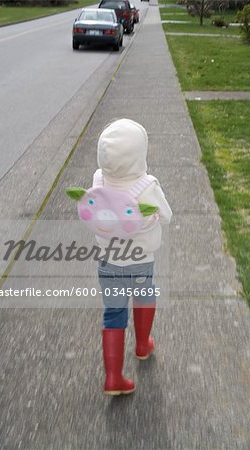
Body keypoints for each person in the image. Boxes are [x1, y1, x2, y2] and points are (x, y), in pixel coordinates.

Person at [93, 118, 172, 395]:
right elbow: (167, 215)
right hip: (139, 260)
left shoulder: (98, 179)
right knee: (143, 298)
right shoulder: (146, 186)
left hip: (108, 260)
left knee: (113, 313)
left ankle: (113, 378)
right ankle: (142, 345)